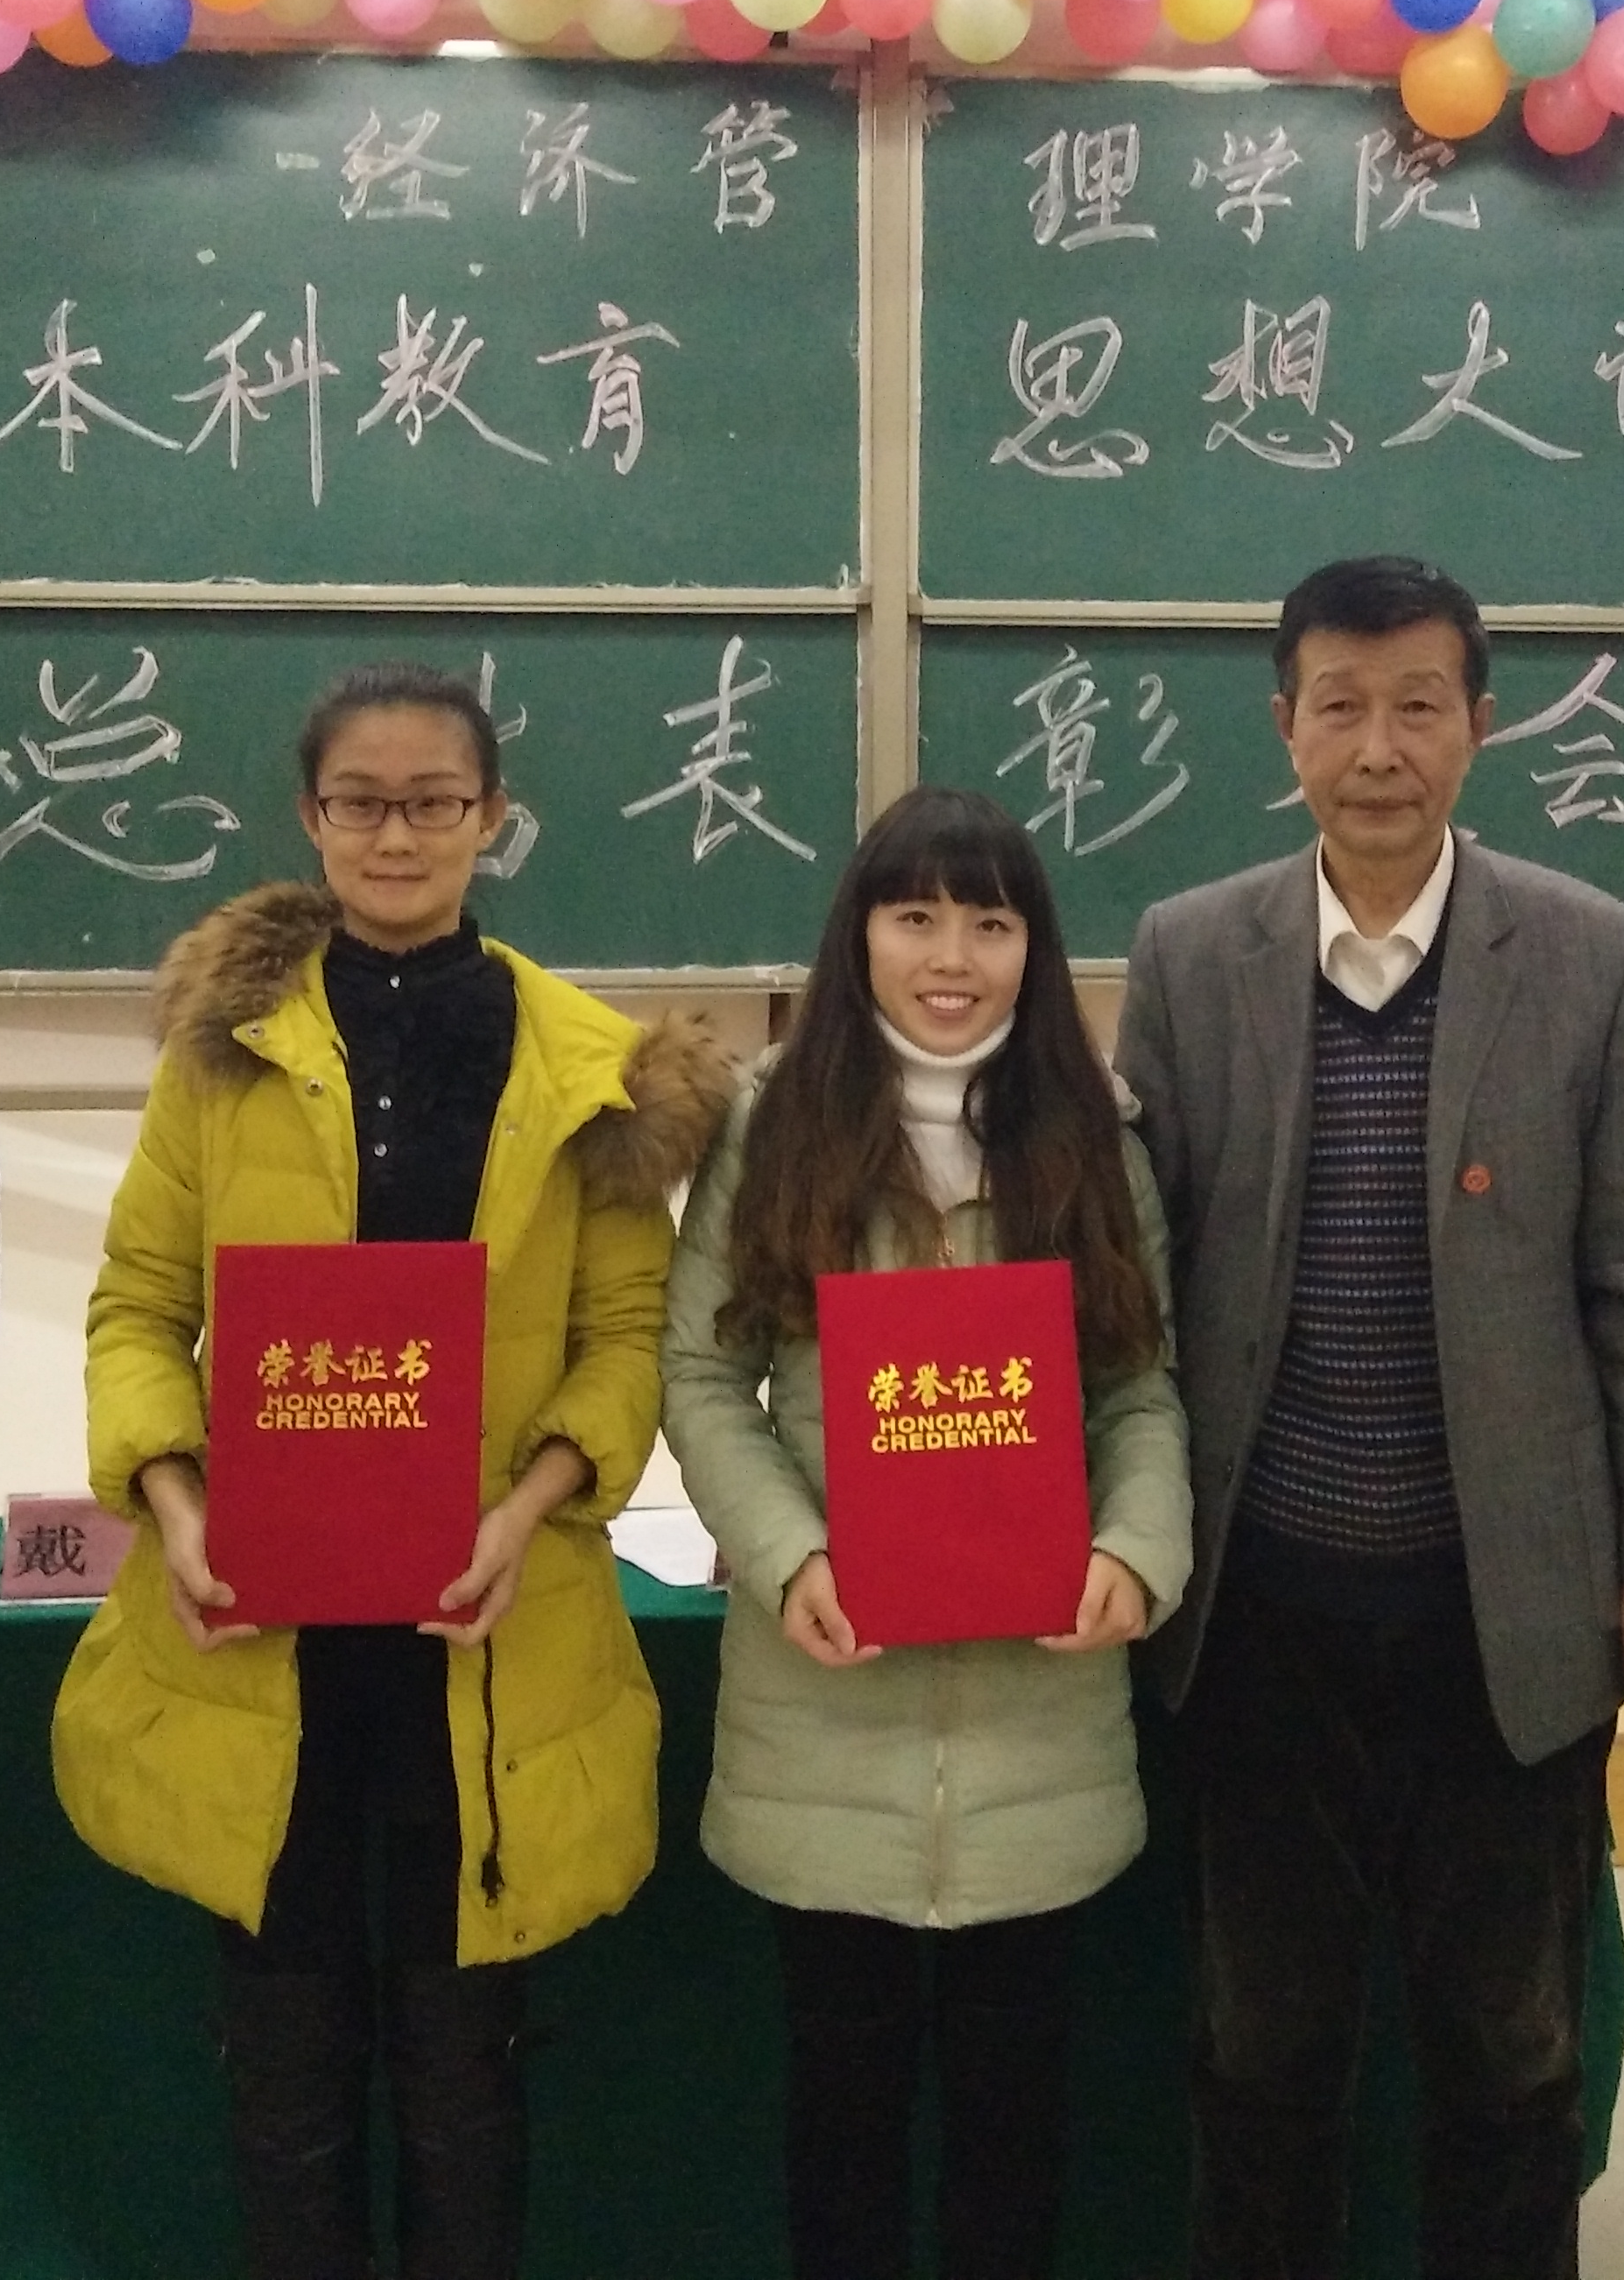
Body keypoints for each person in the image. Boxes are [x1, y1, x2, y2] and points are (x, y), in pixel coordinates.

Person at [49, 660, 730, 2280]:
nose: (398, 835)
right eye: (362, 803)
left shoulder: (590, 1074)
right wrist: (175, 1504)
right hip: (257, 1616)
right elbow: (139, 1305)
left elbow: (624, 1338)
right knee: (281, 2047)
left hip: (484, 1623)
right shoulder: (223, 1052)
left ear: (493, 817)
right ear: (311, 816)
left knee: (463, 2054)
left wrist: (531, 1507)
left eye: (435, 802)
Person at [1114, 555, 1624, 2280]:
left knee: (1511, 2053)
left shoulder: (1591, 954)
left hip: (1506, 1610)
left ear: (1479, 723)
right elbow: (1136, 1280)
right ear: (1285, 725)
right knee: (1263, 2050)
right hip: (1263, 1603)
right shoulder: (1188, 952)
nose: (1377, 748)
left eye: (1417, 707)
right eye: (1340, 708)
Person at [661, 785, 1194, 2280]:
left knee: (1015, 2135)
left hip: (1040, 1742)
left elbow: (1143, 1388)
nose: (951, 956)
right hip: (825, 1731)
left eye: (989, 921)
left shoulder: (1091, 1137)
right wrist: (792, 1556)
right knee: (842, 2127)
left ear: (1034, 947)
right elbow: (702, 1374)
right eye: (914, 917)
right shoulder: (772, 1126)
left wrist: (1135, 1553)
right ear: (861, 937)